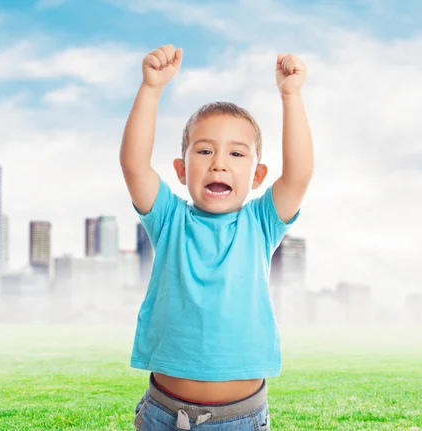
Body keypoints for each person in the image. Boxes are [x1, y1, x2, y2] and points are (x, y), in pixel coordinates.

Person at [119, 44, 313, 430]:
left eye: (237, 155)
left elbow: (298, 175)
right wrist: (151, 88)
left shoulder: (260, 222)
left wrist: (290, 96)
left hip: (240, 418)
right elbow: (134, 164)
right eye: (204, 150)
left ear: (257, 177)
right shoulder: (169, 218)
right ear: (181, 170)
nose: (219, 162)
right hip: (164, 413)